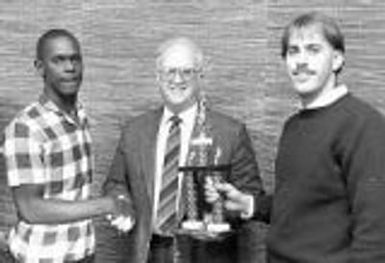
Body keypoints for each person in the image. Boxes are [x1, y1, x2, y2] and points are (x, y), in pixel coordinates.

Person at [206, 11, 385, 263]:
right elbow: (302, 203)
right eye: (293, 51)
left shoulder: (363, 124)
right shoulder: (295, 124)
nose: (301, 61)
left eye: (313, 50)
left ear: (336, 60)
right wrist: (250, 204)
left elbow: (376, 230)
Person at [97, 37, 264, 263]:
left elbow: (251, 197)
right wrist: (121, 203)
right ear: (158, 76)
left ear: (200, 76)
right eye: (170, 72)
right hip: (147, 253)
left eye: (187, 72)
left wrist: (219, 213)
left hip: (204, 255)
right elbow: (115, 183)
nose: (177, 79)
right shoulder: (134, 131)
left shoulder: (231, 132)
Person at [3, 29, 131, 263]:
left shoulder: (79, 117)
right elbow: (30, 208)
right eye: (58, 60)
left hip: (82, 254)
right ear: (40, 67)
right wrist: (107, 205)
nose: (70, 67)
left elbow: (73, 191)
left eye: (75, 59)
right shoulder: (26, 128)